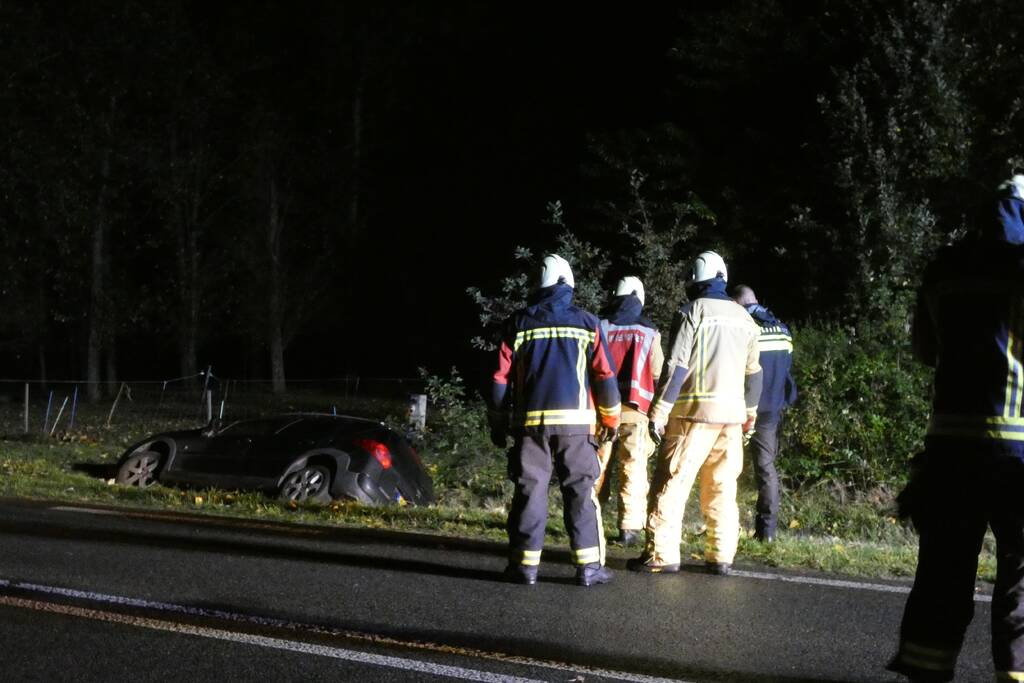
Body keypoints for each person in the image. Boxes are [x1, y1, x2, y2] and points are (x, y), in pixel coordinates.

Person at [888, 173, 1024, 681]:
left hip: (948, 451)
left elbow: (926, 350)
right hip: (1018, 453)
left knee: (942, 574)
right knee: (1020, 577)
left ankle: (926, 670)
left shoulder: (944, 268)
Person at [489, 254, 621, 587]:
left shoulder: (517, 324)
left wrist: (498, 420)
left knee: (529, 492)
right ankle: (589, 568)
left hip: (529, 426)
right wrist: (611, 419)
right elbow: (604, 375)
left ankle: (524, 567)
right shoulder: (588, 323)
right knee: (580, 492)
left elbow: (499, 379)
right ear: (569, 284)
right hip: (576, 427)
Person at [627, 251, 762, 575]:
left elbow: (677, 367)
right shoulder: (745, 318)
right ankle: (721, 557)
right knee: (722, 488)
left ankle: (661, 555)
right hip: (731, 417)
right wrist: (750, 414)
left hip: (692, 415)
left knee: (671, 484)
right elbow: (754, 373)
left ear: (694, 279)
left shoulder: (691, 311)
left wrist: (659, 412)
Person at [594, 276, 665, 546]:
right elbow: (658, 374)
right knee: (633, 468)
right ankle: (629, 529)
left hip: (603, 411)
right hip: (637, 411)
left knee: (595, 466)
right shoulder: (649, 331)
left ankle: (588, 521)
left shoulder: (600, 327)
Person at [731, 285, 797, 542]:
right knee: (766, 469)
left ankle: (725, 529)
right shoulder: (782, 330)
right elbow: (787, 370)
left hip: (741, 407)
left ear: (738, 304)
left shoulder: (744, 328)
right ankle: (766, 532)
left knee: (726, 467)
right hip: (771, 409)